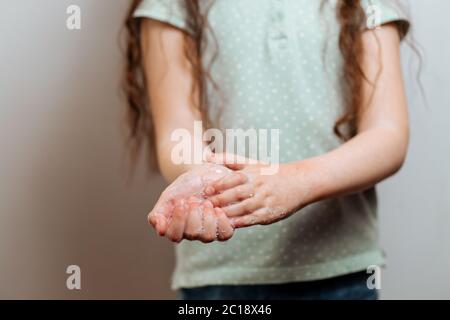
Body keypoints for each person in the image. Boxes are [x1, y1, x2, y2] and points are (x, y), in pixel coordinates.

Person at [123, 0, 410, 300]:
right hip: (222, 276)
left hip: (341, 271)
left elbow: (387, 135)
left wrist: (295, 182)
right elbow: (176, 134)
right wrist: (208, 180)